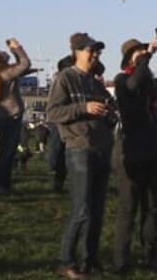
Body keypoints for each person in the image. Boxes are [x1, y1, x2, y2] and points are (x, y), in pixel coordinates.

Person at [47, 32, 117, 279]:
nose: (95, 55)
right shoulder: (65, 79)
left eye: (97, 51)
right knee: (82, 209)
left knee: (97, 210)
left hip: (101, 147)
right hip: (79, 148)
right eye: (91, 50)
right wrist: (83, 108)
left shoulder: (96, 82)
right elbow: (53, 113)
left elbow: (111, 109)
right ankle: (66, 261)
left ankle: (90, 259)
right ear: (76, 51)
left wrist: (110, 113)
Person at [112, 36, 157, 273]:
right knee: (128, 208)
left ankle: (150, 254)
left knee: (152, 208)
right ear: (128, 60)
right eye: (138, 53)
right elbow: (133, 85)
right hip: (131, 152)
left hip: (155, 149)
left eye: (144, 52)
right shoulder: (122, 80)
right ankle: (121, 259)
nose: (143, 55)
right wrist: (149, 54)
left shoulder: (154, 85)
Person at [0, 38, 31, 195]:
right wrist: (17, 48)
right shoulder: (6, 73)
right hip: (12, 115)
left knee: (3, 151)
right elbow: (24, 64)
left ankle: (0, 183)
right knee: (8, 152)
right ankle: (2, 185)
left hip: (0, 117)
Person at [47, 57, 73, 193]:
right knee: (59, 149)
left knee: (61, 150)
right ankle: (57, 174)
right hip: (60, 120)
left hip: (66, 119)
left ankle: (59, 178)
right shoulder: (61, 82)